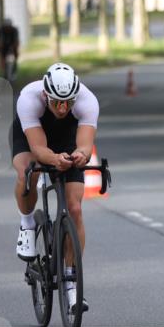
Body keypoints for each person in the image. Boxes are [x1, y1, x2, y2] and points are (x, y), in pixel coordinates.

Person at [11, 63, 99, 313]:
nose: (62, 108)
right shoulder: (29, 99)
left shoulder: (87, 101)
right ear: (45, 95)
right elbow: (38, 149)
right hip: (33, 134)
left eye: (68, 102)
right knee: (26, 171)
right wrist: (52, 160)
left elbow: (84, 144)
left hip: (67, 136)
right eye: (57, 102)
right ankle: (27, 223)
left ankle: (71, 283)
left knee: (75, 209)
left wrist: (81, 155)